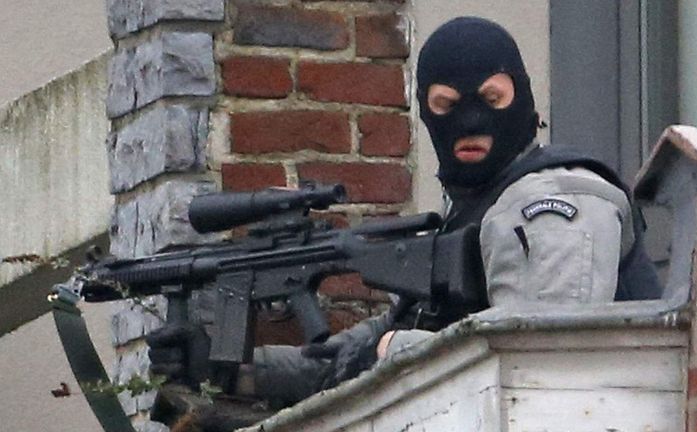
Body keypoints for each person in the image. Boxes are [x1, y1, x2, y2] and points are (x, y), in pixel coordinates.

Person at [147, 16, 662, 431]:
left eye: (491, 100)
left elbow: (540, 369)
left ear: (521, 98)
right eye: (445, 106)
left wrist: (394, 350)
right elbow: (350, 360)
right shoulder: (471, 214)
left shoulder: (551, 200)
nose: (469, 122)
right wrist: (233, 371)